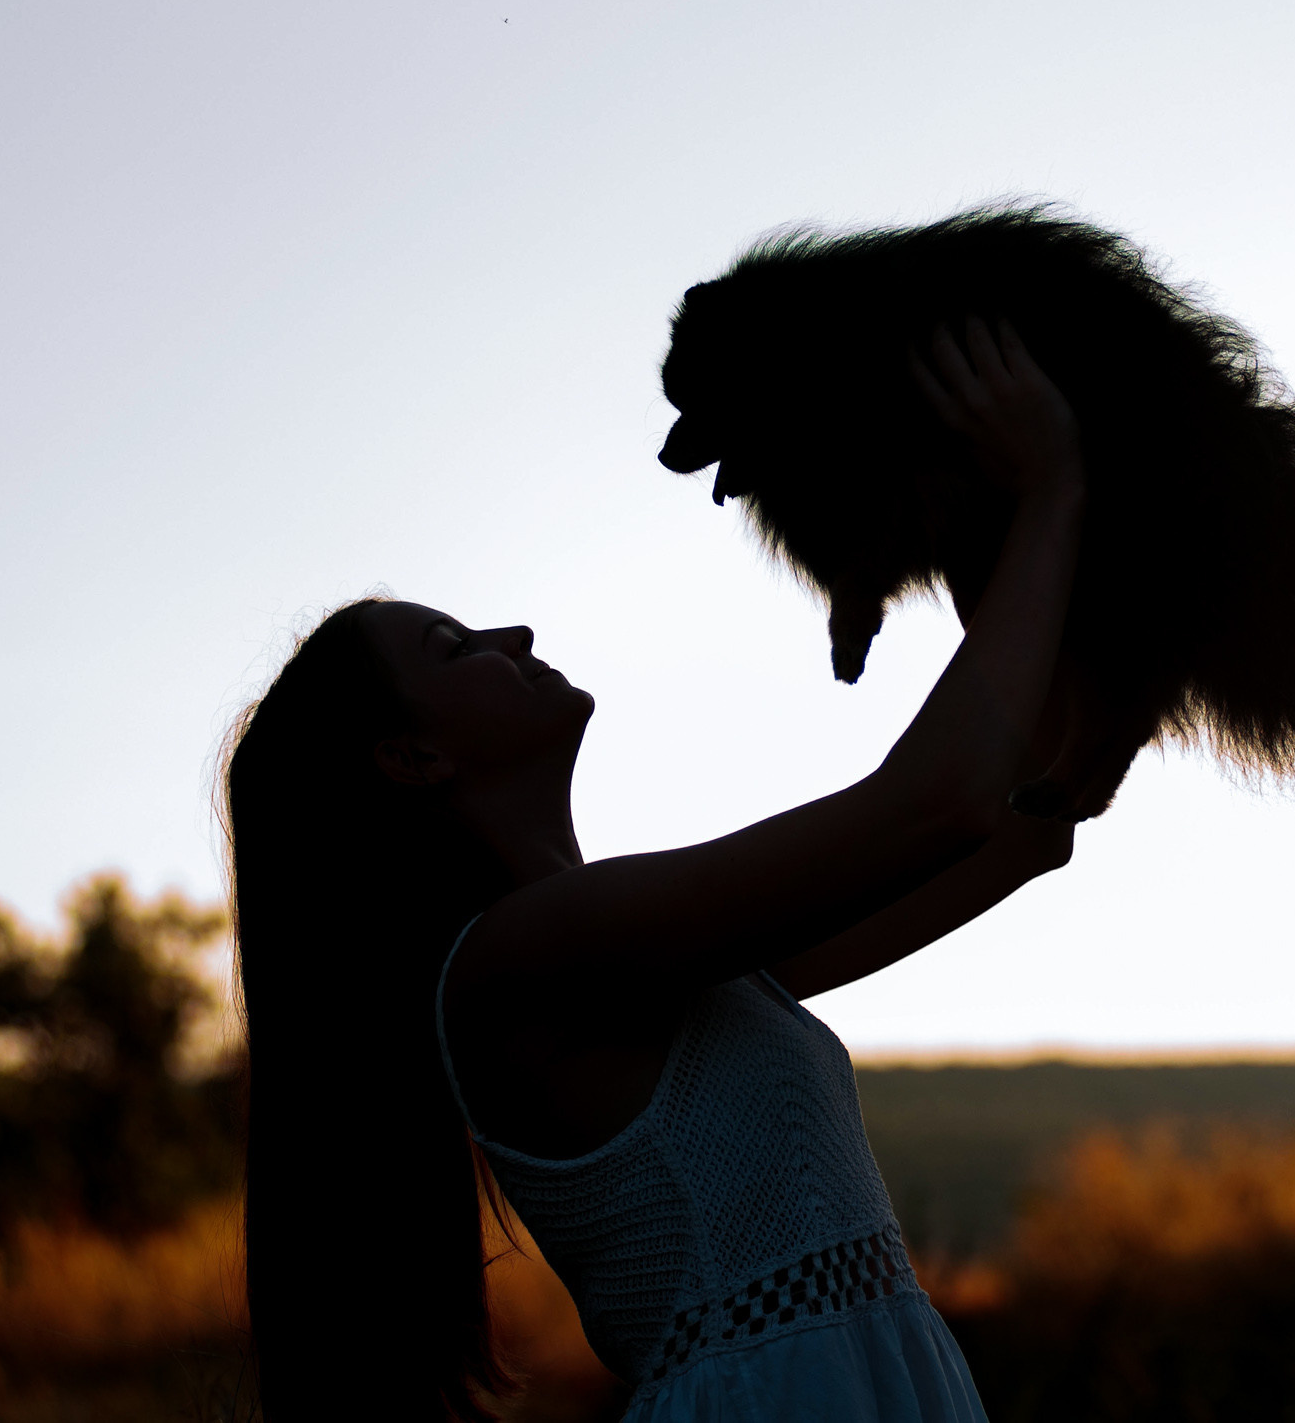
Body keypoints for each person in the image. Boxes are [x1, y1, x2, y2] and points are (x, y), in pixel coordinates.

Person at [222, 320, 1087, 1420]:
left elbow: (1023, 826)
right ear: (413, 757)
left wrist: (1004, 541)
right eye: (455, 648)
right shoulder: (524, 959)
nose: (515, 632)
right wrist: (1049, 487)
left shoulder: (664, 955)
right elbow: (939, 803)